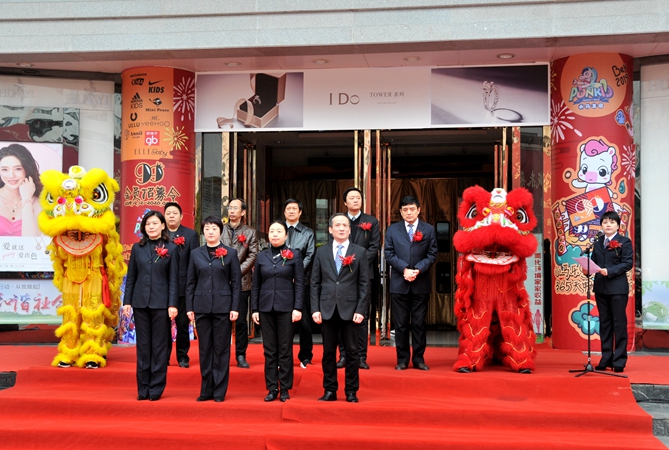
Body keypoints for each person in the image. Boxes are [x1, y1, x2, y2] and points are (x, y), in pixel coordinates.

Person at [312, 213, 369, 403]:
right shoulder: (321, 252)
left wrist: (361, 310)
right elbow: (314, 283)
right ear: (330, 229)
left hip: (351, 309)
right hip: (327, 308)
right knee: (328, 352)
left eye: (345, 225)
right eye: (337, 225)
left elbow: (364, 284)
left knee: (352, 351)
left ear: (350, 230)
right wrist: (315, 308)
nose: (341, 228)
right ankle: (330, 390)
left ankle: (351, 391)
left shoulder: (360, 252)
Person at [123, 210, 179, 401]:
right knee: (143, 346)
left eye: (155, 223)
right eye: (148, 224)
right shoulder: (137, 248)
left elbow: (173, 279)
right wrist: (127, 301)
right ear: (143, 227)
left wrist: (172, 304)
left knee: (159, 346)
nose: (151, 227)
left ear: (162, 226)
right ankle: (143, 387)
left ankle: (156, 387)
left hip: (161, 304)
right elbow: (131, 277)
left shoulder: (171, 248)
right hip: (140, 303)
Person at [186, 215, 241, 402]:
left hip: (223, 307)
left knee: (221, 349)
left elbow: (236, 283)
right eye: (207, 228)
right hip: (201, 306)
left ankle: (219, 391)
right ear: (203, 231)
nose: (210, 231)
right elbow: (190, 282)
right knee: (205, 349)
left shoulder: (230, 253)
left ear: (220, 231)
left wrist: (235, 307)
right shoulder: (196, 254)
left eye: (214, 228)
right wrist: (189, 307)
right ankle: (206, 390)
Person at [251, 220, 304, 402]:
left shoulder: (294, 255)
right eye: (272, 231)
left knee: (285, 349)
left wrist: (297, 308)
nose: (275, 234)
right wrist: (255, 308)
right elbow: (256, 284)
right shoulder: (261, 256)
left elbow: (299, 284)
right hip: (265, 307)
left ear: (286, 235)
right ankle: (272, 387)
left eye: (279, 231)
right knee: (269, 350)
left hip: (286, 307)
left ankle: (285, 388)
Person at [384, 196, 437, 371]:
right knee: (400, 324)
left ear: (418, 210)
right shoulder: (392, 230)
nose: (409, 212)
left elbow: (432, 254)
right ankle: (402, 360)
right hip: (400, 283)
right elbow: (389, 253)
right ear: (400, 212)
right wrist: (404, 269)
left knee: (419, 323)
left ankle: (419, 359)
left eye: (412, 209)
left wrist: (418, 270)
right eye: (405, 209)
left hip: (420, 282)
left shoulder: (428, 230)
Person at [335, 187, 379, 370]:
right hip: (341, 276)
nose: (355, 200)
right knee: (341, 315)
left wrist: (356, 263)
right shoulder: (339, 221)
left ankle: (361, 356)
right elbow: (334, 244)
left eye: (358, 198)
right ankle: (344, 355)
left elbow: (374, 247)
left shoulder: (371, 221)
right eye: (351, 198)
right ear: (345, 202)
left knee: (362, 315)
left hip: (364, 274)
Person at [590, 211, 633, 373]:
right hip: (601, 288)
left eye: (612, 222)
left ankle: (619, 360)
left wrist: (610, 271)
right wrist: (586, 268)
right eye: (605, 222)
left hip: (617, 288)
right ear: (601, 225)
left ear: (618, 225)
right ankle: (606, 357)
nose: (608, 225)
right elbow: (594, 261)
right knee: (605, 324)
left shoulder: (624, 241)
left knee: (619, 324)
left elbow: (627, 263)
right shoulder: (598, 242)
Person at [220, 198, 258, 369]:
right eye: (230, 208)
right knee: (222, 321)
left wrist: (235, 272)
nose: (232, 211)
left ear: (243, 212)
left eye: (235, 208)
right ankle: (222, 354)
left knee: (241, 321)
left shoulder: (250, 232)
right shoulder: (220, 229)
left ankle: (241, 354)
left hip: (242, 282)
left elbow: (253, 255)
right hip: (221, 281)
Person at [164, 202, 199, 368]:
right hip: (163, 286)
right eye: (168, 213)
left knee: (183, 324)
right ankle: (163, 356)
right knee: (163, 325)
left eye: (174, 213)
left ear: (181, 216)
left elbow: (194, 262)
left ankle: (183, 356)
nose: (171, 216)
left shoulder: (190, 235)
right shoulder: (159, 233)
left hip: (183, 287)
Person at [283, 198, 315, 368]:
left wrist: (297, 274)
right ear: (284, 212)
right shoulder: (278, 230)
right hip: (281, 282)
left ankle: (306, 356)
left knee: (304, 321)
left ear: (300, 212)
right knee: (283, 320)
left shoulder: (308, 233)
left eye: (294, 208)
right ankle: (283, 356)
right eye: (288, 208)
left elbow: (310, 255)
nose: (291, 211)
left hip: (301, 282)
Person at [0, 143, 42, 236]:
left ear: (27, 170)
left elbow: (31, 242)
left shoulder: (38, 203)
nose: (11, 175)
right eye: (4, 170)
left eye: (18, 169)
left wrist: (26, 199)